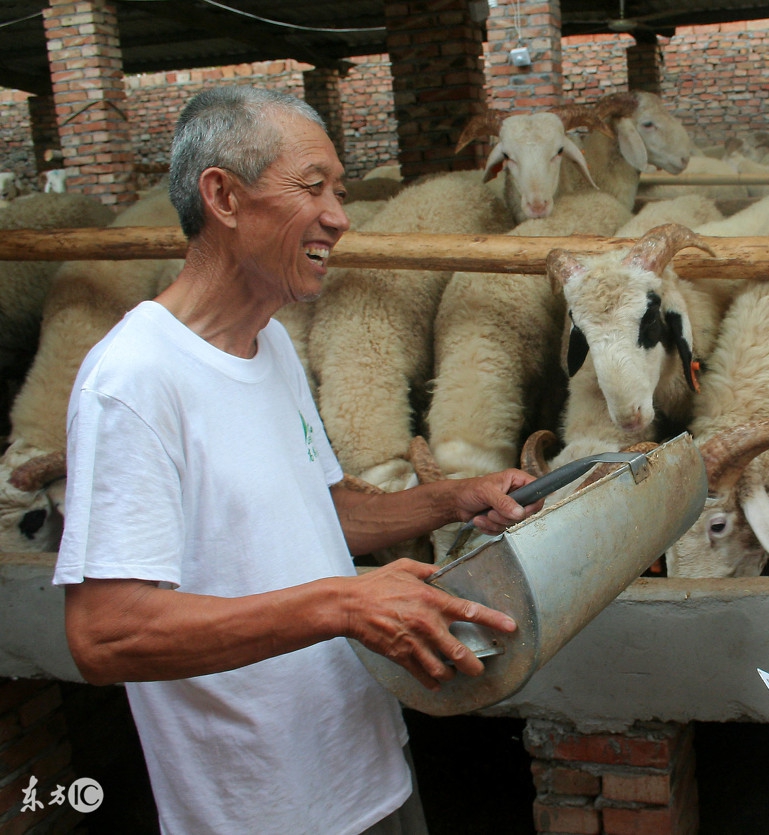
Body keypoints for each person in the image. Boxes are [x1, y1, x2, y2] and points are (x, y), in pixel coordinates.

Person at [52, 86, 544, 834]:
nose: (340, 217)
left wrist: (452, 499)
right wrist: (342, 603)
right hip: (262, 807)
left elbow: (326, 512)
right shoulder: (133, 381)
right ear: (222, 195)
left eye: (340, 192)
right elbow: (105, 633)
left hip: (364, 767)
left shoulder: (272, 342)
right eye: (313, 187)